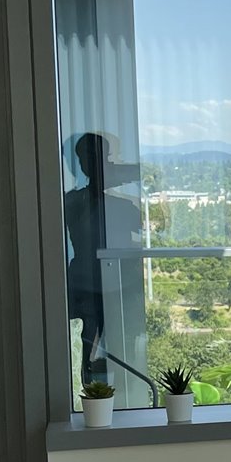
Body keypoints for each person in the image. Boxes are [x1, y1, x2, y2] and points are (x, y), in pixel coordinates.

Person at [63, 133, 140, 382]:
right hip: (88, 285)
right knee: (87, 350)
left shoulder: (120, 205)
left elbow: (158, 222)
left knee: (121, 350)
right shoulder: (75, 202)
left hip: (117, 285)